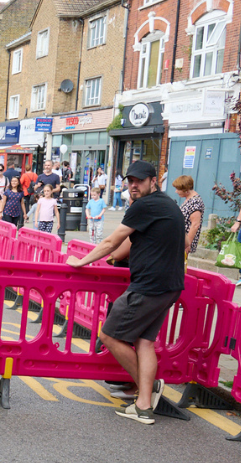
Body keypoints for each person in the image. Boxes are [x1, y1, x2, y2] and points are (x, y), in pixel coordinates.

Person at [66, 160, 184, 425]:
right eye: (130, 180)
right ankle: (144, 403)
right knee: (144, 342)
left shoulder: (145, 205)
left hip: (149, 286)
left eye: (139, 180)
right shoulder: (167, 204)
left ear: (154, 181)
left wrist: (80, 262)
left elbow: (112, 241)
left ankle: (147, 393)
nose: (133, 185)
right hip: (169, 285)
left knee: (109, 335)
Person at [173, 175, 205, 255]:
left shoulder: (195, 202)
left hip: (185, 241)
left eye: (178, 189)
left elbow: (195, 224)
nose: (176, 191)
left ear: (186, 189)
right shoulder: (189, 199)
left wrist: (187, 244)